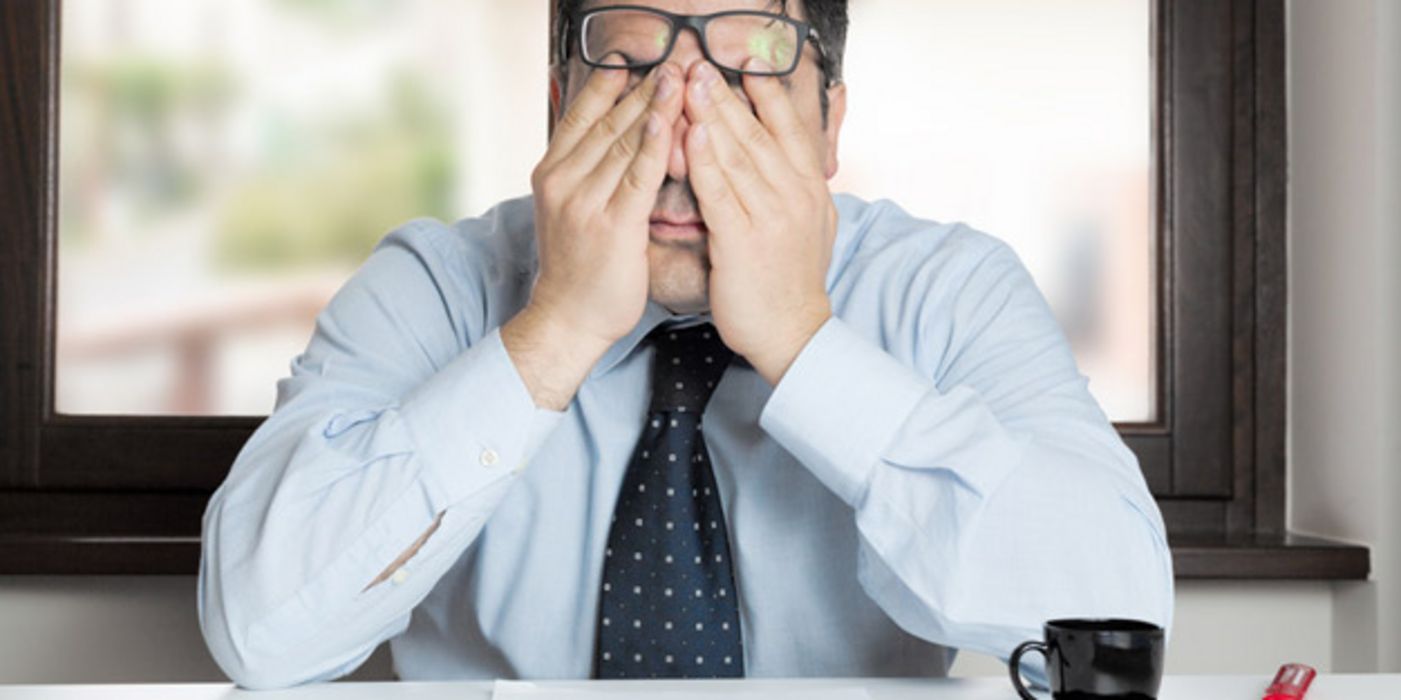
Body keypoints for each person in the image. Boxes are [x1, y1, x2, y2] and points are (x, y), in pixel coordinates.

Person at [198, 0, 1173, 690]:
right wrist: (559, 327)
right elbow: (261, 630)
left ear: (828, 125)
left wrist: (803, 339)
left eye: (746, 81)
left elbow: (1115, 606)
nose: (680, 146)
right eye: (628, 72)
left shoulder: (945, 292)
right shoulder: (438, 286)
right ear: (556, 107)